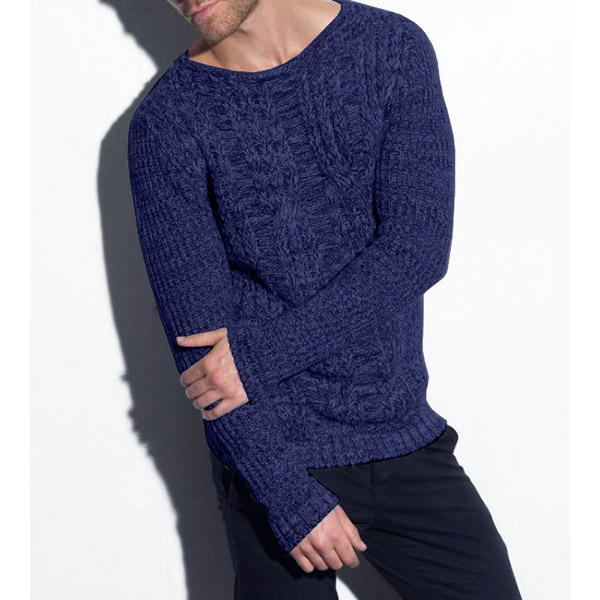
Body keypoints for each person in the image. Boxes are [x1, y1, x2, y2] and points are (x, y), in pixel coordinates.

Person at [127, 0, 523, 597]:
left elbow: (416, 249)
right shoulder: (168, 120)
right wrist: (286, 496)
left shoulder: (388, 48)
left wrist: (256, 359)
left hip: (403, 435)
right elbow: (201, 356)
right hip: (271, 455)